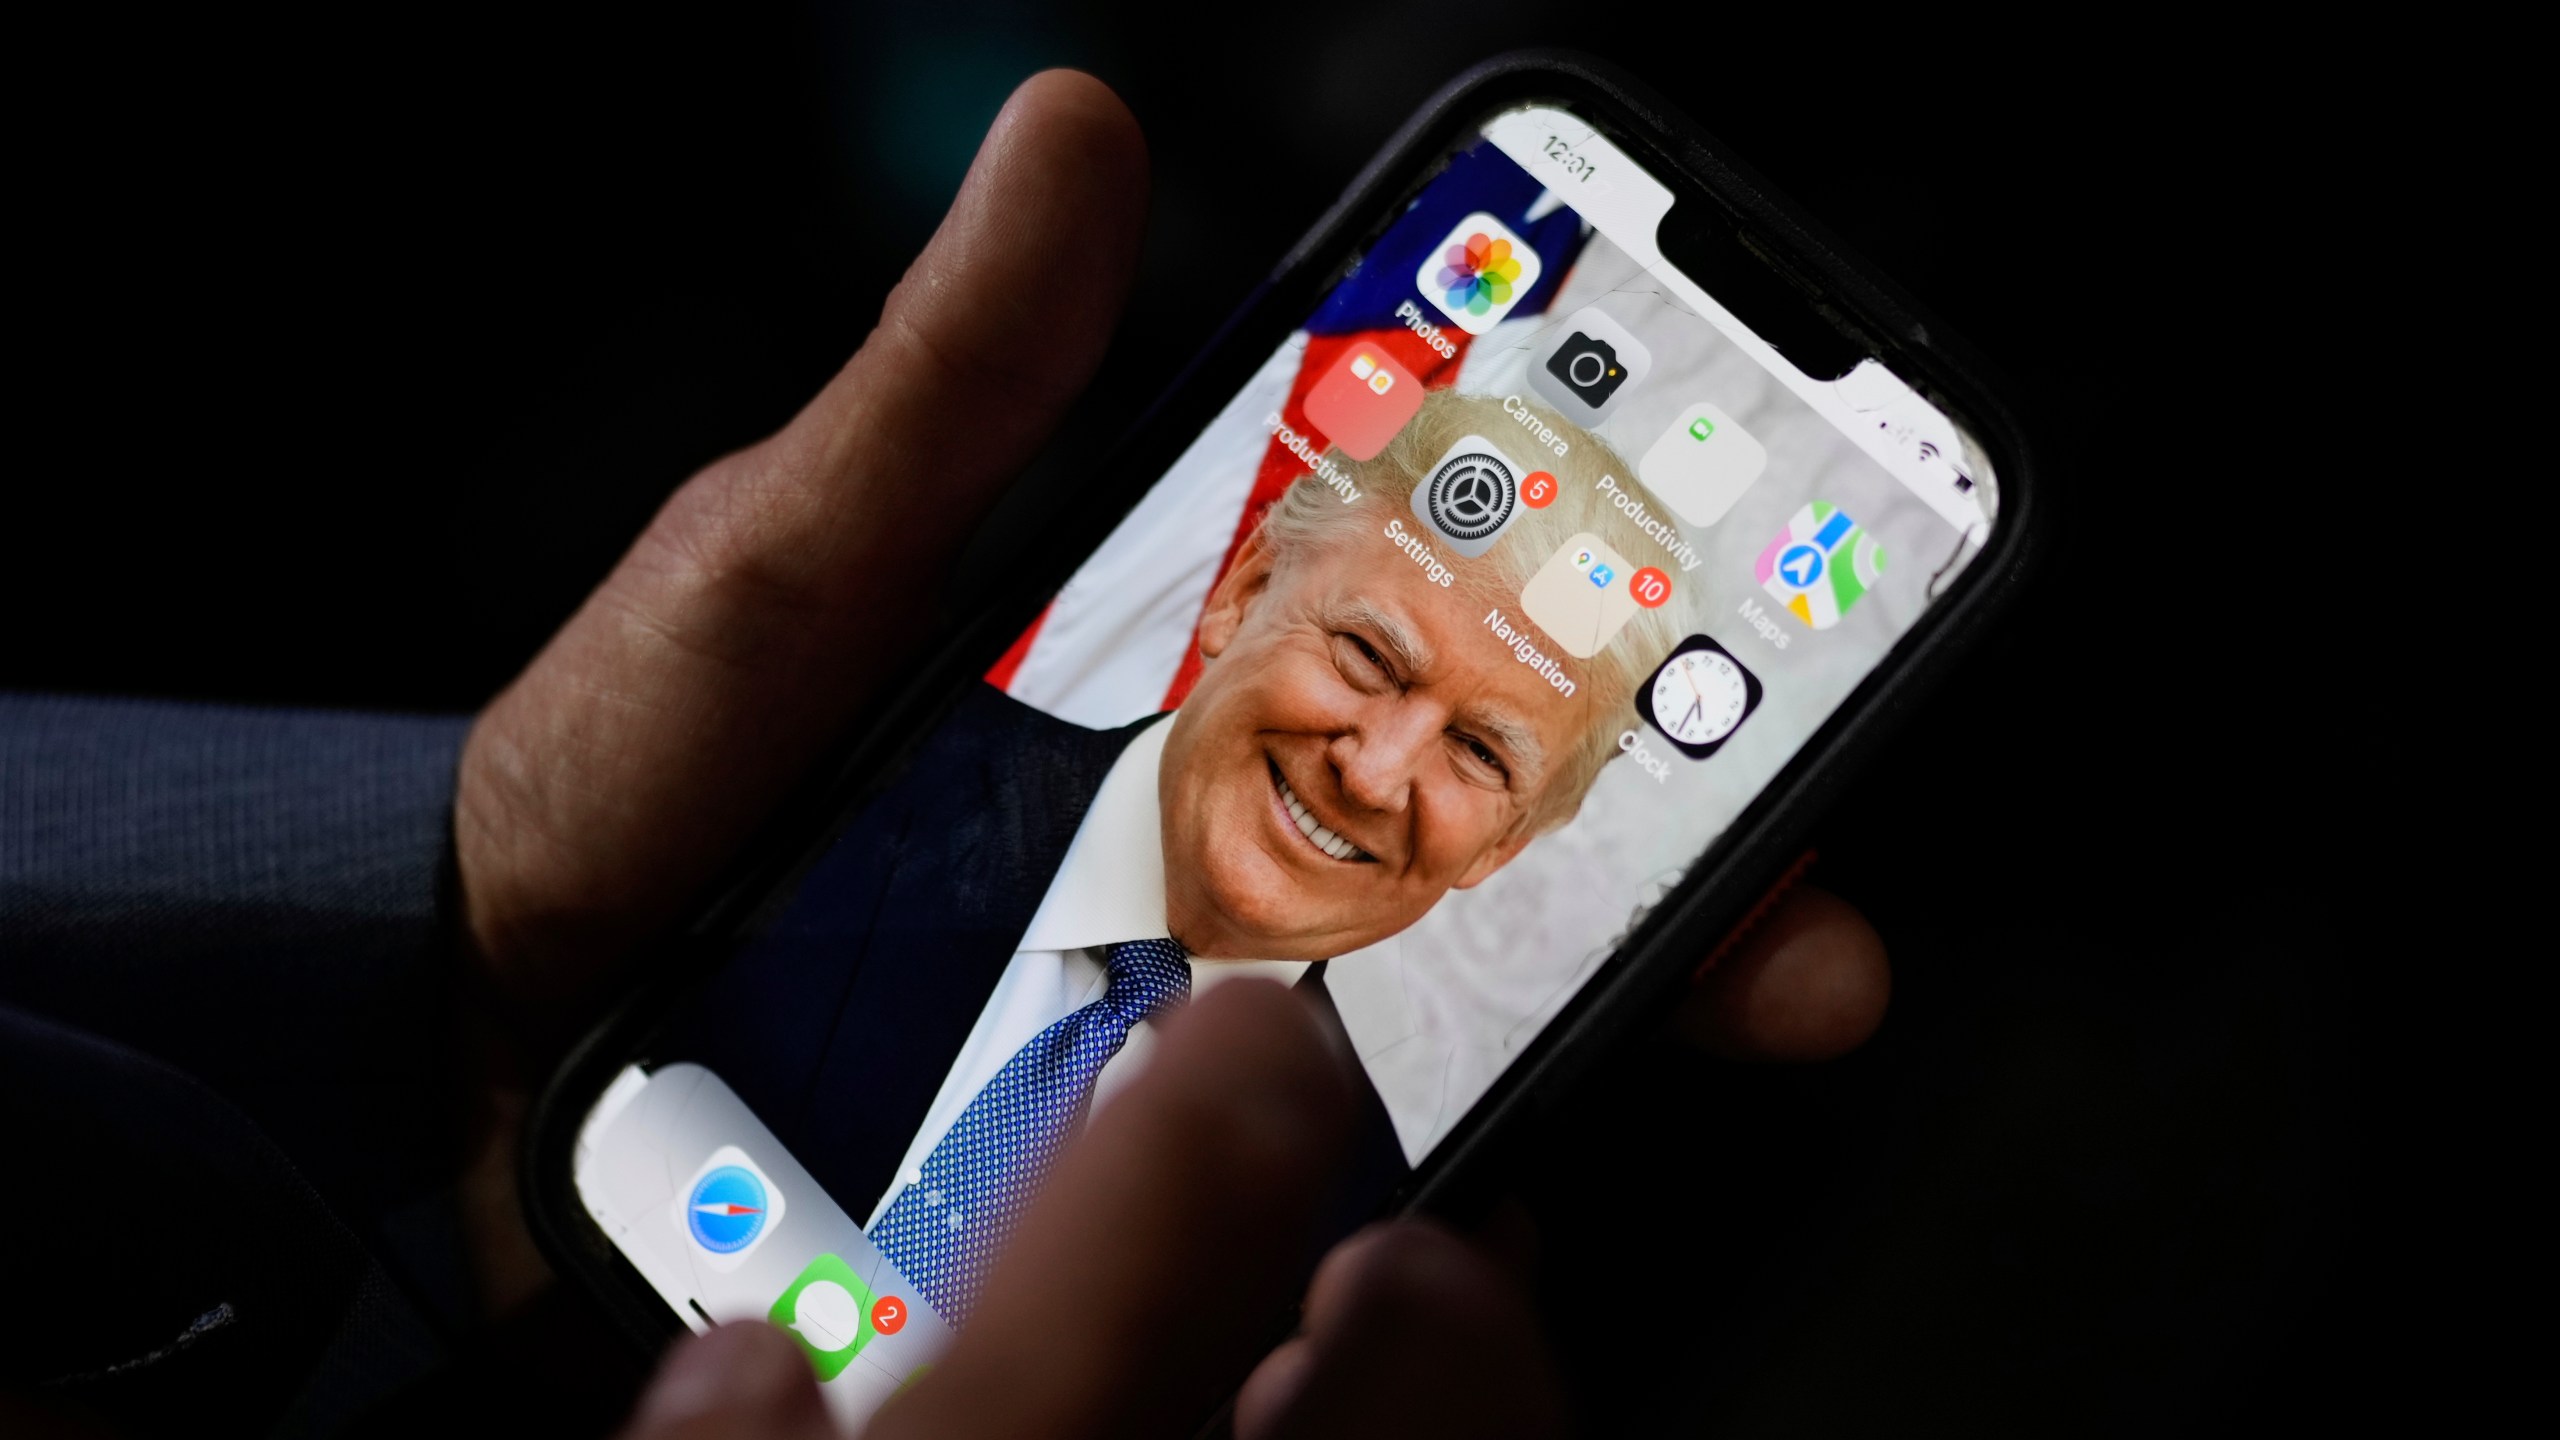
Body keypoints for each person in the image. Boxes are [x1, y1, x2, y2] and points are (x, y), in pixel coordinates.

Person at [1, 71, 1887, 1436]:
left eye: (1483, 751)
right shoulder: (870, 793)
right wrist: (455, 953)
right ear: (1236, 602)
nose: (1381, 765)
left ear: (1515, 843)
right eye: (1371, 653)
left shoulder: (1346, 1220)